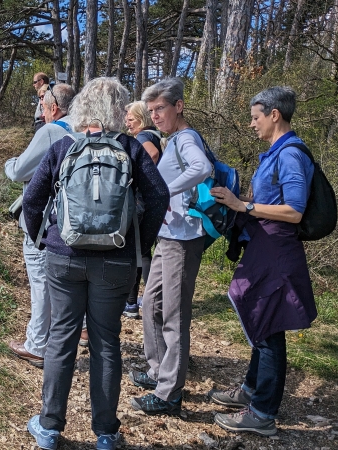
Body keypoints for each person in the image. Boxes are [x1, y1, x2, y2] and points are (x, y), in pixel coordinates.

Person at [23, 77, 169, 450]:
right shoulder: (131, 148)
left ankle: (50, 427)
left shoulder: (63, 147)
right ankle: (106, 432)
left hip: (63, 256)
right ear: (119, 110)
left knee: (61, 338)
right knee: (106, 343)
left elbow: (33, 199)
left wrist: (45, 237)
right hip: (115, 260)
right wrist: (139, 243)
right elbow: (158, 197)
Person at [208, 86, 317, 436]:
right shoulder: (275, 153)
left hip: (277, 252)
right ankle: (252, 391)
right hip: (265, 246)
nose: (252, 124)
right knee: (261, 321)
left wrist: (246, 206)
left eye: (256, 117)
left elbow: (295, 211)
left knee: (269, 328)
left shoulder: (290, 155)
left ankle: (263, 413)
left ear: (274, 115)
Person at [129, 77, 212, 415]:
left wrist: (165, 192)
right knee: (150, 305)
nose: (155, 116)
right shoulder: (173, 138)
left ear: (178, 106)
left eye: (160, 108)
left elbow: (202, 167)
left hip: (183, 239)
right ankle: (158, 371)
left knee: (174, 315)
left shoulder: (187, 138)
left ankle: (170, 393)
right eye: (151, 111)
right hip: (169, 236)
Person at [5, 83, 77, 368]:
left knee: (41, 281)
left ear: (54, 108)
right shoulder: (88, 129)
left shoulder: (52, 132)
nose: (42, 114)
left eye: (43, 108)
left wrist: (10, 163)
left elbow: (20, 170)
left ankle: (37, 345)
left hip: (47, 222)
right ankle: (75, 331)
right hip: (78, 221)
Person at [122, 100, 163, 319]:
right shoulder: (155, 134)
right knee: (141, 251)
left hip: (140, 201)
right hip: (150, 201)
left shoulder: (144, 137)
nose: (127, 124)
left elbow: (152, 155)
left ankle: (144, 302)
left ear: (141, 119)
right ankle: (137, 302)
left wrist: (139, 175)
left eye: (130, 119)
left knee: (138, 251)